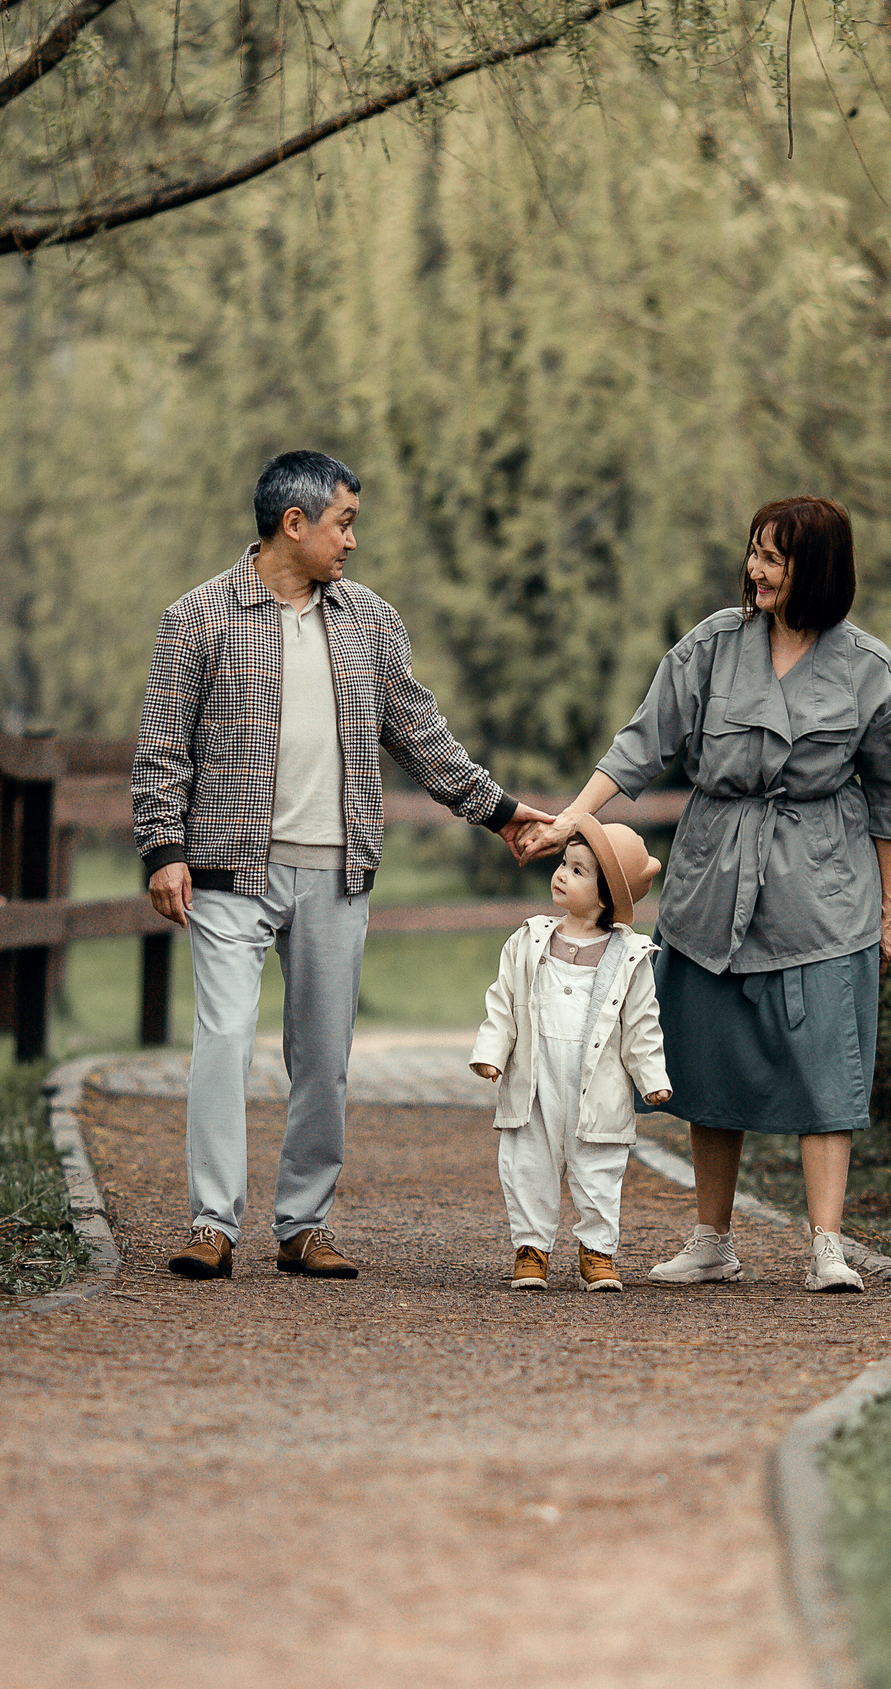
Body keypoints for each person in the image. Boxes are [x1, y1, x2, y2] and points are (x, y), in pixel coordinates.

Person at [133, 450, 553, 1282]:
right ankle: (212, 1224)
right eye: (344, 522)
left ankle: (303, 1224)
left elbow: (420, 734)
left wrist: (499, 813)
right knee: (222, 1041)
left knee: (323, 1055)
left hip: (337, 868)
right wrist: (163, 850)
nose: (352, 540)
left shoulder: (369, 622)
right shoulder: (198, 619)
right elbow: (160, 748)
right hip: (227, 868)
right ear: (295, 524)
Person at [522, 495, 891, 1293]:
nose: (756, 571)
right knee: (710, 1052)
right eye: (754, 554)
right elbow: (642, 745)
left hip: (824, 887)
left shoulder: (867, 669)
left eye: (774, 557)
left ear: (819, 569)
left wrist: (889, 908)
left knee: (826, 1064)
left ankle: (826, 1246)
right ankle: (713, 1239)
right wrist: (571, 817)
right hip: (713, 877)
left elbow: (890, 801)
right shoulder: (712, 647)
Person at [470, 816, 673, 1292]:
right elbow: (505, 1000)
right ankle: (531, 1248)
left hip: (596, 1083)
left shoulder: (629, 956)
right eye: (564, 863)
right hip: (537, 1079)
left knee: (599, 1164)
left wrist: (652, 1076)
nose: (561, 873)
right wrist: (492, 1051)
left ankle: (597, 1252)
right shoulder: (530, 940)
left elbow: (642, 1023)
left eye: (579, 871)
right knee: (527, 1162)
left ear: (605, 896)